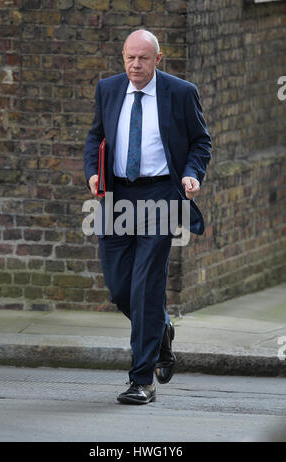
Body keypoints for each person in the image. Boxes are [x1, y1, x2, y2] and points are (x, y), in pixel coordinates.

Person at [84, 29, 211, 405]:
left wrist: (192, 173)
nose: (135, 65)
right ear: (122, 58)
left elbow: (201, 141)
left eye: (142, 58)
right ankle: (162, 328)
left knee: (145, 287)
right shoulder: (108, 89)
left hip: (160, 195)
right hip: (116, 196)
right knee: (120, 288)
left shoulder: (181, 92)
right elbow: (95, 136)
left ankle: (141, 380)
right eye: (129, 58)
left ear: (158, 59)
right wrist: (93, 171)